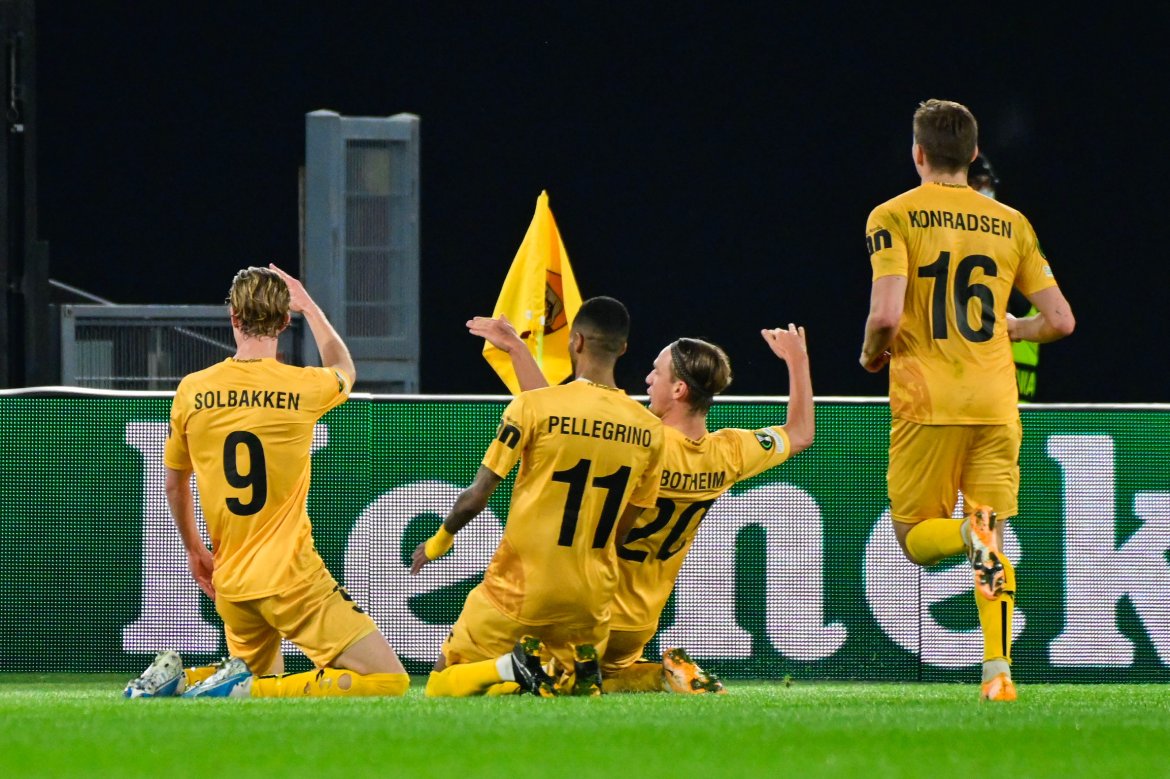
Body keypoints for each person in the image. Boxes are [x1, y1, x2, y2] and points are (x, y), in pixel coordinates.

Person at [468, 315, 814, 694]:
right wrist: (798, 361)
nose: (648, 379)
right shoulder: (729, 452)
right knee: (606, 676)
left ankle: (588, 675)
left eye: (656, 372)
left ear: (679, 389)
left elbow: (558, 417)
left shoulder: (646, 442)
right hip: (639, 624)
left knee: (509, 677)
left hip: (588, 610)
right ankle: (660, 676)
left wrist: (517, 349)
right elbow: (799, 434)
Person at [859, 99, 1075, 701]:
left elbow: (884, 315)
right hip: (996, 403)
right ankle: (997, 672)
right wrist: (1015, 327)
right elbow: (1061, 320)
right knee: (993, 537)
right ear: (974, 153)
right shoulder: (1013, 223)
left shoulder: (893, 215)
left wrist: (871, 354)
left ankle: (964, 534)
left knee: (915, 538)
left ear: (918, 153)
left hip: (928, 401)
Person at [124, 264, 409, 699]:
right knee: (388, 680)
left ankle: (180, 680)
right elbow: (344, 367)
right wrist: (311, 306)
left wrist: (195, 551)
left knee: (250, 686)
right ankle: (240, 688)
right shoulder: (304, 387)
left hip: (232, 586)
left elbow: (174, 485)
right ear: (284, 321)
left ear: (234, 317)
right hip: (292, 579)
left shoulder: (193, 390)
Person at [411, 296, 666, 697]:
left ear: (576, 341)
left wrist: (438, 541)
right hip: (589, 599)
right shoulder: (650, 430)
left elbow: (476, 496)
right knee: (552, 687)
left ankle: (510, 666)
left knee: (442, 685)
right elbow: (623, 531)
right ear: (623, 348)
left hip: (519, 588)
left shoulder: (532, 407)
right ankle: (589, 676)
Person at [969, 152, 1041, 401]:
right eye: (978, 182)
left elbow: (1057, 318)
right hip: (988, 395)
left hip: (1013, 389)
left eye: (987, 183)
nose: (985, 189)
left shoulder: (1012, 236)